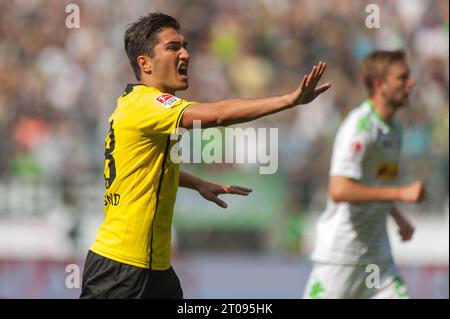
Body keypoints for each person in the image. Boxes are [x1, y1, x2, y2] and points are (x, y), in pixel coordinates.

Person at [80, 12, 331, 299]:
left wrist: (196, 183)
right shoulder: (147, 105)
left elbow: (145, 170)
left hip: (156, 270)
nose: (185, 54)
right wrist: (289, 100)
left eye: (184, 46)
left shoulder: (136, 106)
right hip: (120, 270)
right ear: (145, 63)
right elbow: (217, 115)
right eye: (173, 47)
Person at [303, 50, 426, 299]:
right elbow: (339, 190)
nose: (410, 83)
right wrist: (400, 192)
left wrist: (397, 217)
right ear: (380, 85)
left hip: (377, 257)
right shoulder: (359, 127)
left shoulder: (395, 129)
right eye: (402, 78)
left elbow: (374, 184)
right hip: (341, 257)